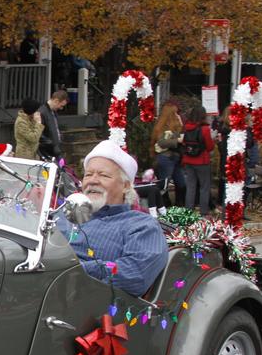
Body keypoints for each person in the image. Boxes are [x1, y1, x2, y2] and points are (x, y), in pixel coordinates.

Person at [57, 140, 169, 297]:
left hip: (85, 306)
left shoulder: (141, 225)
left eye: (103, 175)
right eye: (88, 174)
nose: (92, 180)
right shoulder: (62, 214)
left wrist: (67, 271)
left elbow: (134, 276)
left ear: (125, 186)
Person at [181, 105, 214, 215]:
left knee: (191, 187)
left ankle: (188, 211)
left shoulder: (186, 127)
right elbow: (210, 147)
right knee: (204, 187)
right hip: (202, 161)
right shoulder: (205, 129)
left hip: (188, 159)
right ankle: (203, 211)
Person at [150, 103, 186, 206]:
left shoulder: (175, 125)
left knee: (181, 183)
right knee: (164, 184)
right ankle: (164, 205)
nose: (178, 115)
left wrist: (180, 125)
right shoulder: (162, 126)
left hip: (175, 158)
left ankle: (179, 205)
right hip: (166, 158)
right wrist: (177, 140)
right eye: (175, 113)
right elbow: (162, 142)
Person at [38, 89, 68, 161]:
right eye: (61, 106)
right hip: (47, 150)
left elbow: (55, 128)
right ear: (56, 101)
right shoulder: (42, 112)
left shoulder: (53, 112)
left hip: (55, 148)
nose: (61, 108)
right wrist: (52, 145)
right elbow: (39, 134)